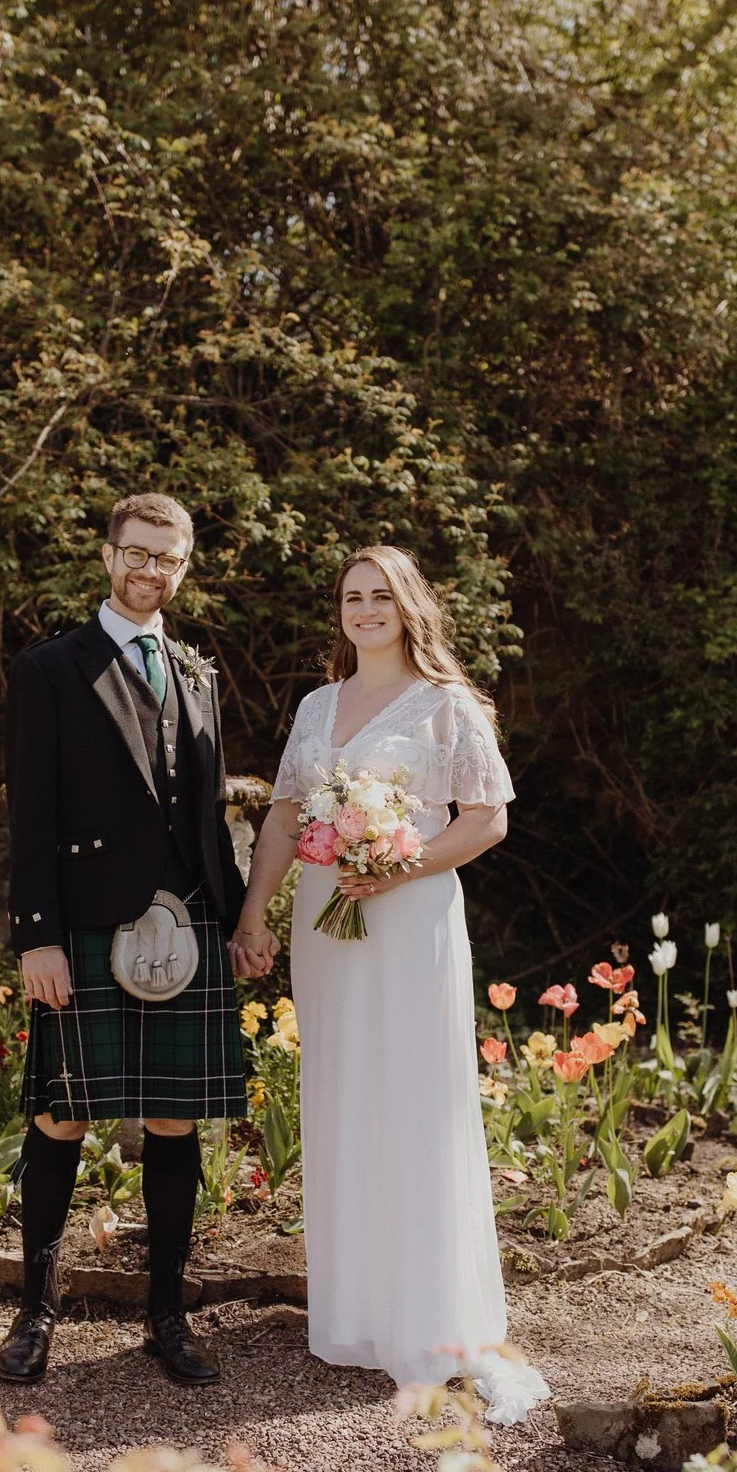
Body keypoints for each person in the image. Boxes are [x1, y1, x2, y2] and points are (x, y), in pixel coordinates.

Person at [230, 545, 549, 1422]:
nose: (365, 609)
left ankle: (429, 1316)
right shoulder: (317, 706)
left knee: (412, 1096)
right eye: (351, 596)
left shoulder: (446, 707)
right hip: (331, 925)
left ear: (408, 606)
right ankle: (360, 1311)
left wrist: (402, 865)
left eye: (380, 595)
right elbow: (287, 818)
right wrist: (255, 913)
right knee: (345, 1096)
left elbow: (488, 818)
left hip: (408, 920)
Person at [0, 492, 261, 1387]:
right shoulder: (50, 668)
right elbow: (29, 814)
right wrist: (37, 937)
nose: (153, 570)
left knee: (172, 1117)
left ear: (184, 568)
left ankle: (167, 1315)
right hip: (85, 920)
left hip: (188, 920)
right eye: (138, 553)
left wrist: (236, 918)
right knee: (63, 1112)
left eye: (170, 559)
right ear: (108, 555)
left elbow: (209, 811)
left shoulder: (197, 671)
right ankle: (34, 1314)